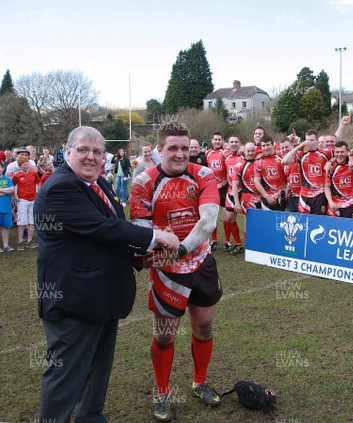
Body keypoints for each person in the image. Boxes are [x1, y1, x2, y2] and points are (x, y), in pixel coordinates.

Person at [34, 126, 179, 422]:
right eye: (83, 150)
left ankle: (92, 417)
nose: (91, 157)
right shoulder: (61, 186)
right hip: (74, 301)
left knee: (97, 374)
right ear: (67, 151)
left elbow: (106, 237)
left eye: (97, 151)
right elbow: (103, 228)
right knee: (64, 380)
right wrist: (155, 237)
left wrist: (138, 257)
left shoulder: (99, 183)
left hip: (102, 297)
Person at [130, 121, 223, 421]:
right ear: (159, 150)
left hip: (200, 262)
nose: (181, 154)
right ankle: (162, 392)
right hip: (167, 270)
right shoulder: (143, 182)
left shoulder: (204, 175)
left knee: (204, 327)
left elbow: (208, 221)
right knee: (166, 336)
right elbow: (141, 231)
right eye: (173, 148)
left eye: (185, 147)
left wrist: (182, 248)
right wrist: (156, 248)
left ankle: (199, 382)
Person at [282, 130, 332, 215]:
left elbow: (340, 154)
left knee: (317, 220)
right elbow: (284, 161)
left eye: (312, 140)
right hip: (305, 194)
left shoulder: (325, 153)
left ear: (317, 141)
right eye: (307, 140)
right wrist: (300, 146)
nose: (309, 142)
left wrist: (331, 161)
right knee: (304, 221)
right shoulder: (301, 154)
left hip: (319, 194)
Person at [205, 132, 228, 250]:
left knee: (227, 216)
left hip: (224, 187)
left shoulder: (226, 153)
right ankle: (214, 240)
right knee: (213, 215)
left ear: (223, 140)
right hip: (212, 188)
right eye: (215, 139)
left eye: (219, 139)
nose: (217, 141)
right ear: (212, 140)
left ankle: (227, 241)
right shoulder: (207, 153)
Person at [12, 155, 41, 250]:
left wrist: (37, 193)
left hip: (33, 199)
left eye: (27, 164)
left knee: (31, 221)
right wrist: (15, 195)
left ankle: (30, 240)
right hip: (22, 200)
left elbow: (38, 182)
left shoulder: (33, 174)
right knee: (21, 221)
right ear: (20, 166)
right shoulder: (17, 176)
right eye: (24, 165)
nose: (26, 166)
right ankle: (20, 242)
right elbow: (13, 186)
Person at [223, 136, 244, 254]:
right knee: (230, 218)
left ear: (240, 143)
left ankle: (254, 243)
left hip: (244, 191)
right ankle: (238, 243)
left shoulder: (244, 155)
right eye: (232, 142)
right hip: (231, 190)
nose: (234, 144)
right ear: (228, 144)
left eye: (236, 142)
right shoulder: (225, 156)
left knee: (248, 220)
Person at [324, 140, 353, 218]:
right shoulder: (330, 167)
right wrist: (330, 202)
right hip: (335, 205)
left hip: (350, 204)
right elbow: (327, 186)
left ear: (347, 151)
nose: (339, 154)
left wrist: (351, 156)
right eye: (337, 152)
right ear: (334, 153)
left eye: (342, 152)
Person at [254, 137, 287, 211]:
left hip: (283, 196)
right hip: (268, 199)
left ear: (272, 145)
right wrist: (266, 196)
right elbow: (256, 181)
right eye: (264, 146)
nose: (266, 148)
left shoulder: (281, 158)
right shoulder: (258, 161)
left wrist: (285, 194)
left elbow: (288, 177)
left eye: (268, 145)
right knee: (268, 222)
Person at [280, 139, 301, 212]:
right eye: (282, 148)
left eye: (286, 147)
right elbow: (288, 181)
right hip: (292, 197)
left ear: (292, 146)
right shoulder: (283, 163)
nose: (284, 149)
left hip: (304, 196)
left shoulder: (300, 157)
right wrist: (285, 194)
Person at [0, 162, 15, 252]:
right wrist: (6, 191)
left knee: (6, 227)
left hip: (6, 208)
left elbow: (11, 190)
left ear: (2, 168)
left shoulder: (7, 179)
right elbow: (8, 190)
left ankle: (6, 245)